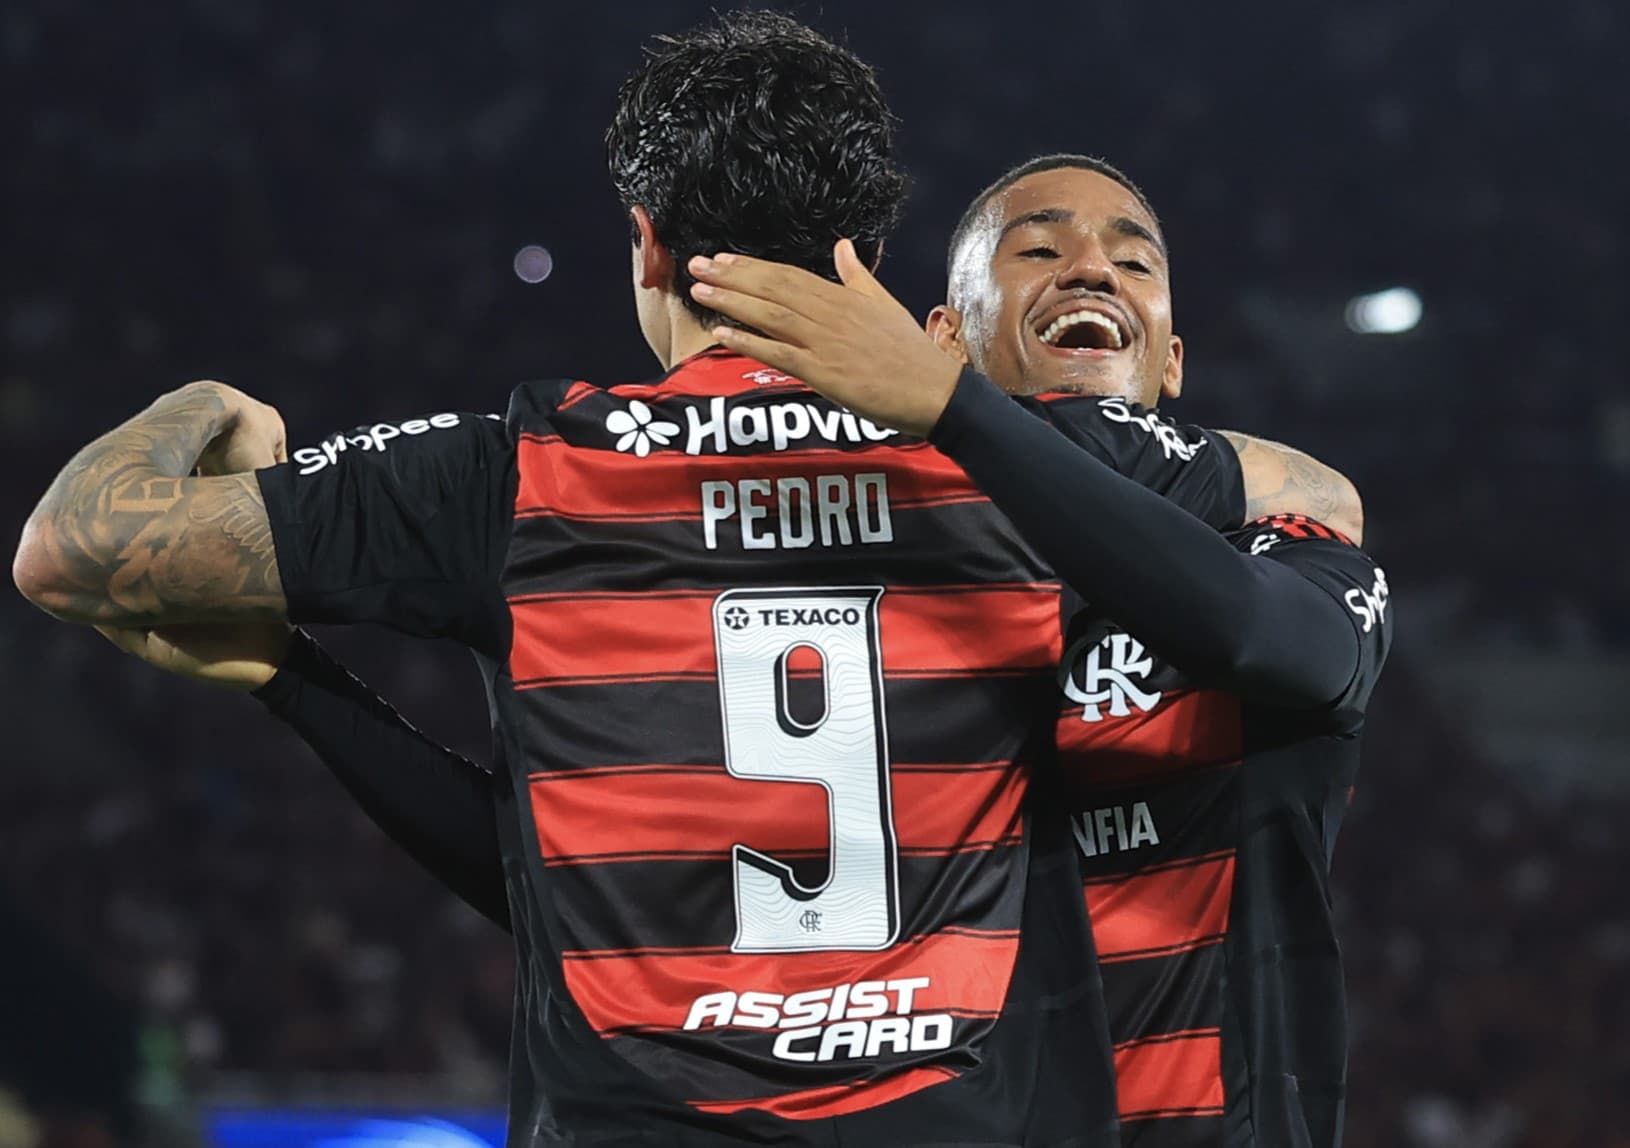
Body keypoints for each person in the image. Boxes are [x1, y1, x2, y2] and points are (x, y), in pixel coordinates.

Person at [11, 12, 1356, 1142]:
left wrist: (204, 404)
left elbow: (73, 546)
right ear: (868, 264)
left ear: (647, 242)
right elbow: (1305, 496)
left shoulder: (517, 474)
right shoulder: (1030, 473)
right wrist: (972, 417)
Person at [686, 152, 1392, 1146]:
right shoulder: (857, 610)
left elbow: (1261, 638)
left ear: (1173, 358)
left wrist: (950, 410)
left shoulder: (1284, 551)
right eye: (1038, 248)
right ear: (942, 335)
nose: (1094, 269)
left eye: (1133, 262)